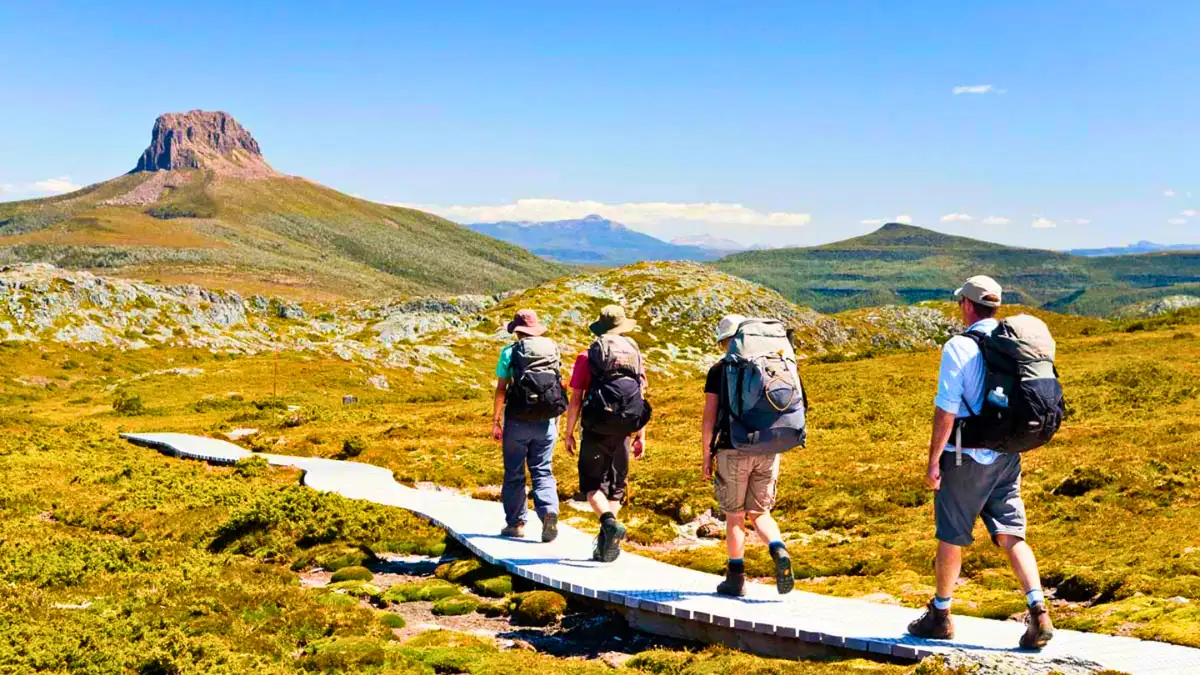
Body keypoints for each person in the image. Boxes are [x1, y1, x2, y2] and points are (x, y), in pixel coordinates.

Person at [907, 276, 1054, 650]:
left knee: (951, 536)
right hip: (1008, 455)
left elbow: (946, 408)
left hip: (967, 456)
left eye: (961, 304)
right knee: (1011, 533)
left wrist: (933, 461)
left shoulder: (959, 346)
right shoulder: (1016, 345)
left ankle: (940, 616)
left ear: (968, 306)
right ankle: (1038, 610)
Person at [703, 314, 795, 597]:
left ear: (728, 342)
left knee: (734, 516)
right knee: (760, 512)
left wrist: (707, 455)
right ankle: (778, 549)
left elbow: (709, 419)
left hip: (733, 448)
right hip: (769, 447)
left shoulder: (719, 371)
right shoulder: (773, 365)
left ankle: (735, 577)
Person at [563, 305, 650, 563]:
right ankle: (606, 543)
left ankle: (608, 523)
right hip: (624, 428)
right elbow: (640, 397)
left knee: (592, 486)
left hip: (595, 427)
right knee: (616, 488)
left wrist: (568, 433)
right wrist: (640, 434)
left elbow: (576, 398)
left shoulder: (587, 356)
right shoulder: (634, 355)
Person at [492, 309, 567, 543]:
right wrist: (558, 419)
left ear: (517, 331)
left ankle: (516, 524)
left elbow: (501, 389)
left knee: (514, 473)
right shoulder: (552, 350)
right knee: (543, 470)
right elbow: (559, 385)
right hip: (545, 422)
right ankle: (549, 513)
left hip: (516, 422)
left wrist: (495, 421)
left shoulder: (510, 352)